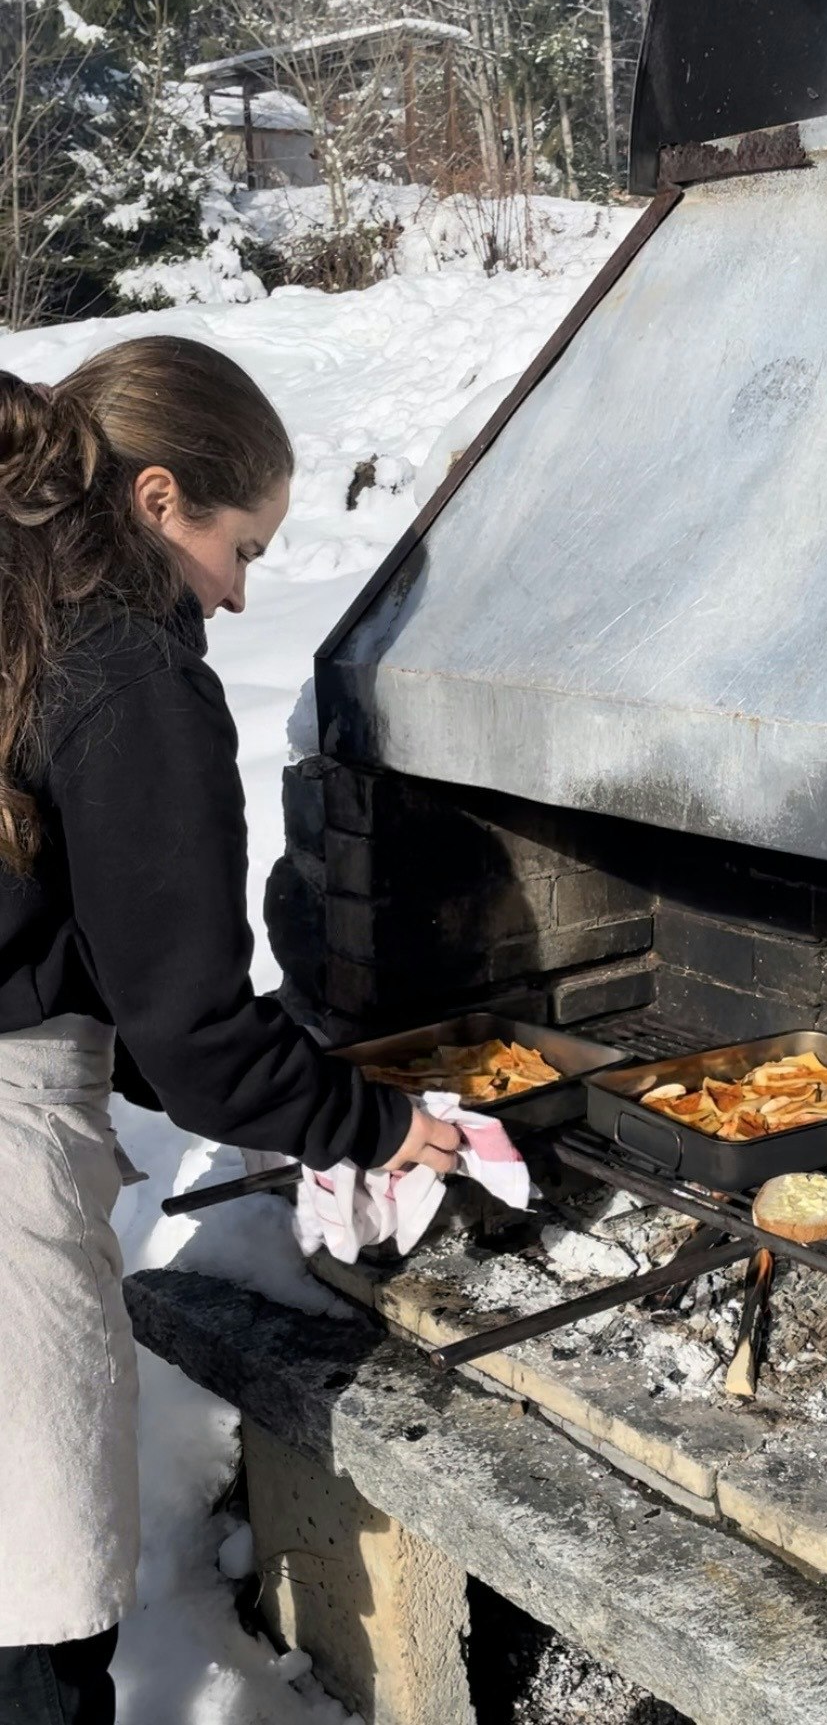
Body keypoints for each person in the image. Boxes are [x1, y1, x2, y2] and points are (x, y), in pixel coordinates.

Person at [0, 336, 462, 1723]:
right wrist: (378, 1122)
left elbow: (60, 920)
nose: (243, 592)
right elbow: (198, 1028)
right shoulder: (124, 664)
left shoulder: (24, 618)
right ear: (156, 500)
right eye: (241, 545)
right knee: (31, 1608)